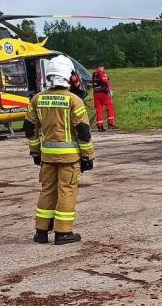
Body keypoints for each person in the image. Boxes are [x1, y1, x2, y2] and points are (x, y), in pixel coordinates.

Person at [24, 55, 95, 245]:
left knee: (47, 190)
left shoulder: (37, 100)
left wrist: (35, 152)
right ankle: (63, 233)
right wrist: (87, 156)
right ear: (67, 75)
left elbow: (29, 129)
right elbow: (83, 132)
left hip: (47, 156)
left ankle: (41, 232)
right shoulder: (74, 101)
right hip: (69, 158)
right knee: (67, 191)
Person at [92, 65, 116, 131]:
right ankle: (110, 124)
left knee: (98, 109)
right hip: (104, 94)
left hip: (96, 94)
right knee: (110, 107)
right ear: (101, 68)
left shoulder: (94, 74)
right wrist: (109, 90)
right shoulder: (102, 73)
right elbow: (105, 81)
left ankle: (100, 125)